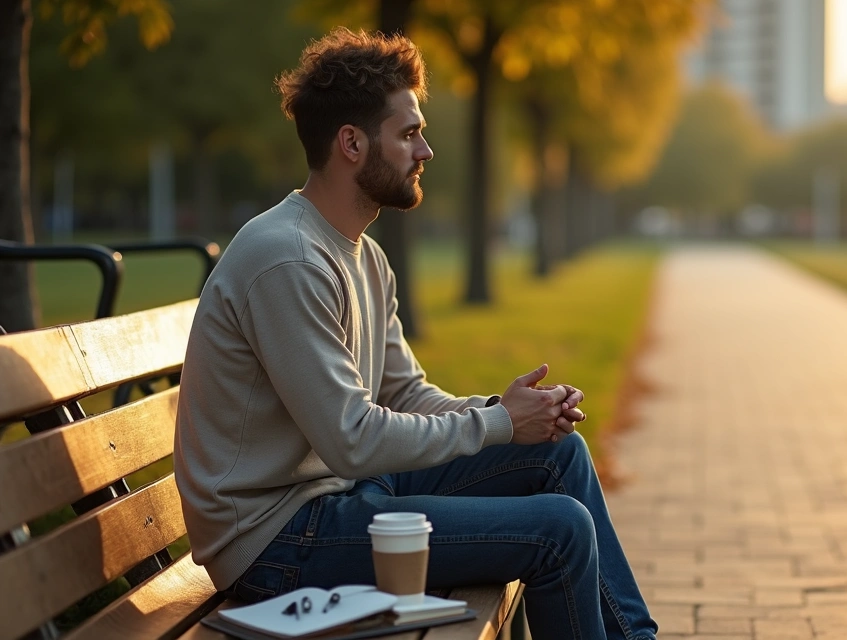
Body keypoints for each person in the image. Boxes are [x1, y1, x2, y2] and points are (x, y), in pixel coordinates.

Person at [173, 27, 656, 640]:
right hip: (279, 541)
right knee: (559, 531)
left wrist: (507, 413)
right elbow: (351, 439)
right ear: (351, 142)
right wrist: (497, 424)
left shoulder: (366, 257)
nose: (425, 150)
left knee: (559, 453)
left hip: (345, 497)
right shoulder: (288, 259)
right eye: (408, 134)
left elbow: (404, 394)